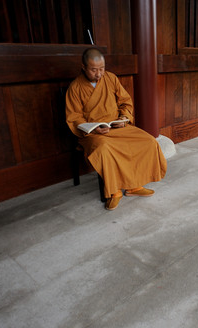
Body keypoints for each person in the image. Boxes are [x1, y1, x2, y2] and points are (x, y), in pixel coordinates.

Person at [66, 48, 167, 210]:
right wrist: (94, 129)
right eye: (93, 70)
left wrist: (123, 118)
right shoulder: (75, 88)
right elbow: (74, 117)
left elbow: (125, 102)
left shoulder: (111, 78)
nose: (99, 74)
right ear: (83, 67)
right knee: (105, 148)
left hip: (117, 126)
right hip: (93, 133)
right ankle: (114, 192)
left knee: (147, 141)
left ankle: (135, 186)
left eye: (101, 69)